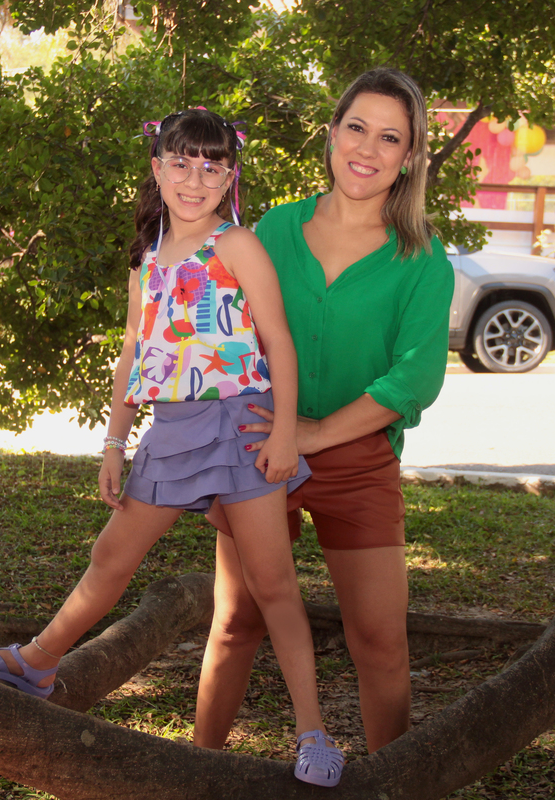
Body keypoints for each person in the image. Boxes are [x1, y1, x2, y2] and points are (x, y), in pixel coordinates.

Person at [0, 107, 345, 787]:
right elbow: (136, 352)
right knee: (110, 556)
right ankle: (38, 663)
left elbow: (278, 338)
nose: (196, 178)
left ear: (230, 174)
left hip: (240, 425)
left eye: (212, 165)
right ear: (157, 168)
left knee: (273, 584)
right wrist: (114, 440)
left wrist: (284, 429)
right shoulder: (147, 257)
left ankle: (313, 733)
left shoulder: (237, 245)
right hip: (171, 429)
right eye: (182, 162)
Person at [192, 69, 454, 755]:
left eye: (390, 136)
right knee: (234, 624)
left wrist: (314, 433)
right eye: (357, 127)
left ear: (410, 155)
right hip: (257, 447)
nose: (368, 148)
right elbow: (220, 329)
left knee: (381, 644)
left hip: (359, 458)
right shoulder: (275, 229)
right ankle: (193, 775)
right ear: (332, 134)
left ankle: (389, 783)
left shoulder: (421, 258)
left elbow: (415, 378)